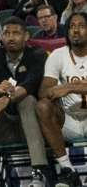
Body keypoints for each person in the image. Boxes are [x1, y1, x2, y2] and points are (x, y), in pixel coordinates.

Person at [0, 18, 48, 185]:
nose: (10, 37)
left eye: (16, 33)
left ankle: (38, 171)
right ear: (1, 36)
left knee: (27, 100)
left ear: (26, 36)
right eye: (6, 33)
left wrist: (6, 99)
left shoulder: (37, 55)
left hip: (31, 125)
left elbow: (31, 83)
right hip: (3, 127)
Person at [37, 11, 87, 187]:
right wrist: (55, 91)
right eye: (72, 26)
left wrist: (70, 87)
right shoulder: (58, 55)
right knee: (43, 106)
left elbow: (67, 88)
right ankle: (68, 170)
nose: (76, 30)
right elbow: (44, 92)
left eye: (81, 26)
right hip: (68, 119)